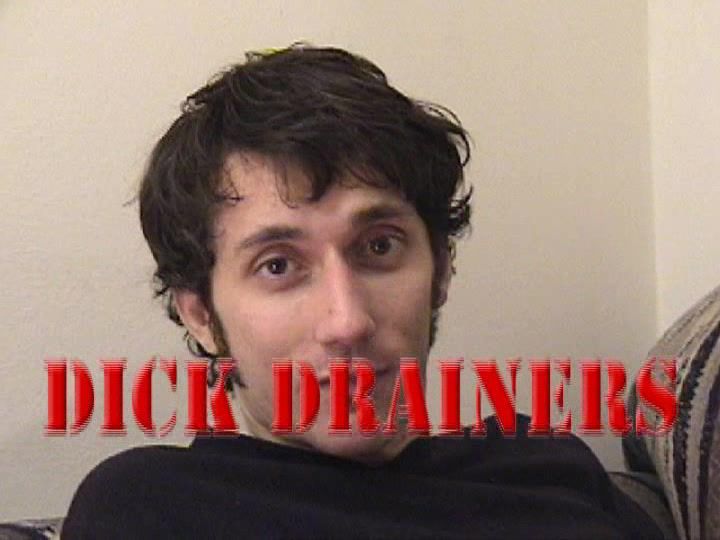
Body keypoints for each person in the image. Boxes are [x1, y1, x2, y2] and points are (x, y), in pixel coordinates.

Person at [63, 45, 663, 539]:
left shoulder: (548, 466)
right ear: (201, 315)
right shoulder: (150, 507)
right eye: (278, 266)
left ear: (440, 270)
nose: (347, 321)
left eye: (378, 247)